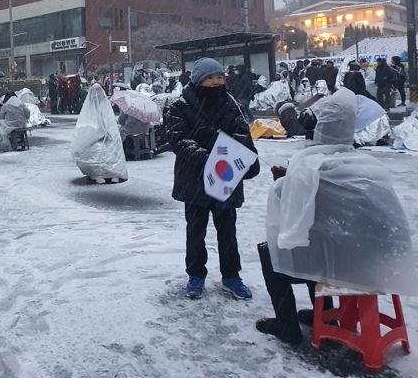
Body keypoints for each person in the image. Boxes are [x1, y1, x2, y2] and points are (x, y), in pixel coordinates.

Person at [256, 87, 417, 344]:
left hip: (345, 265)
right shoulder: (364, 165)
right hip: (378, 261)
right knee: (319, 240)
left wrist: (285, 181)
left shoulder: (313, 164)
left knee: (279, 249)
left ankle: (286, 324)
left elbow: (288, 207)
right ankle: (327, 314)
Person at [166, 57, 260, 300]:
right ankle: (195, 275)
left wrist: (232, 157)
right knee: (195, 232)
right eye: (210, 78)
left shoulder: (231, 105)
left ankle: (231, 276)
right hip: (194, 180)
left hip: (226, 180)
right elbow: (179, 140)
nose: (216, 82)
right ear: (198, 80)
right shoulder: (180, 107)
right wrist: (208, 158)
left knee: (227, 231)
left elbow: (243, 135)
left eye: (219, 77)